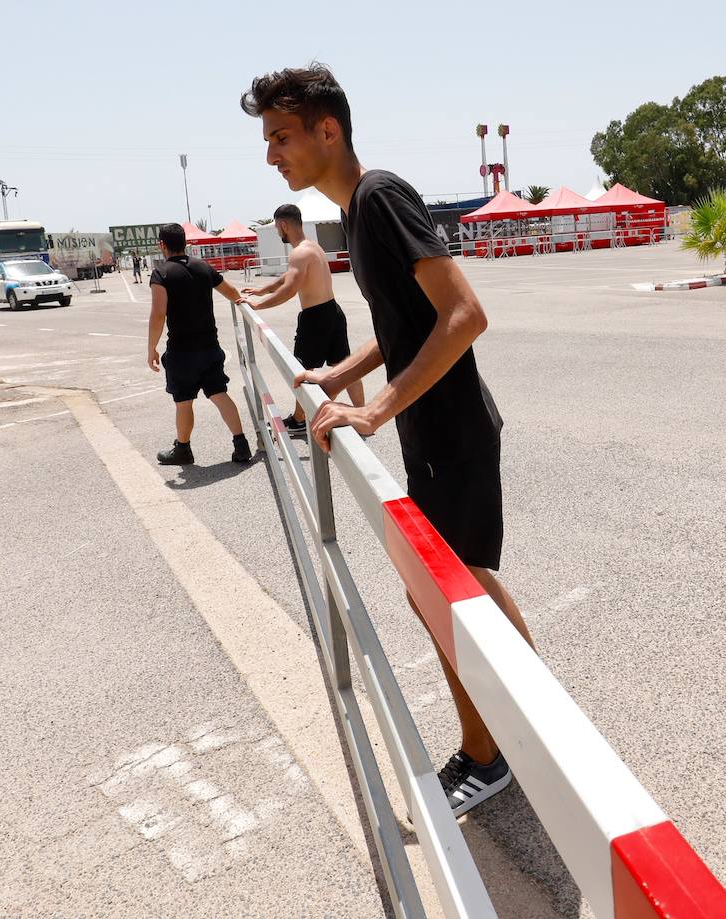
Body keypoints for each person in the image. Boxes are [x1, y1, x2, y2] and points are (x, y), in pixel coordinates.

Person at [242, 64, 535, 816]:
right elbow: (406, 325)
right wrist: (343, 373)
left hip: (452, 430)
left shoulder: (379, 199)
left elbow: (464, 313)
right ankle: (525, 731)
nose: (272, 154)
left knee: (448, 591)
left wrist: (373, 413)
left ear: (326, 129)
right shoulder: (361, 211)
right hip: (435, 429)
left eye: (281, 136)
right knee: (452, 588)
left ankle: (496, 749)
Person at [242, 203, 364, 434]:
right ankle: (362, 416)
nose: (278, 232)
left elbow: (289, 289)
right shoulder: (312, 247)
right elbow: (285, 280)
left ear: (283, 225)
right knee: (344, 367)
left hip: (316, 317)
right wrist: (260, 291)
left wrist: (258, 305)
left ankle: (299, 421)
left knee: (302, 371)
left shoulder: (299, 253)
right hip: (333, 312)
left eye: (278, 228)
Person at [146, 223, 252, 466]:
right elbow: (231, 292)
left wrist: (151, 347)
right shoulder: (203, 266)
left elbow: (158, 314)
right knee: (219, 394)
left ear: (162, 245)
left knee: (183, 402)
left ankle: (183, 450)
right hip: (210, 346)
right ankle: (241, 444)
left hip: (182, 352)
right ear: (185, 242)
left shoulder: (161, 274)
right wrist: (246, 303)